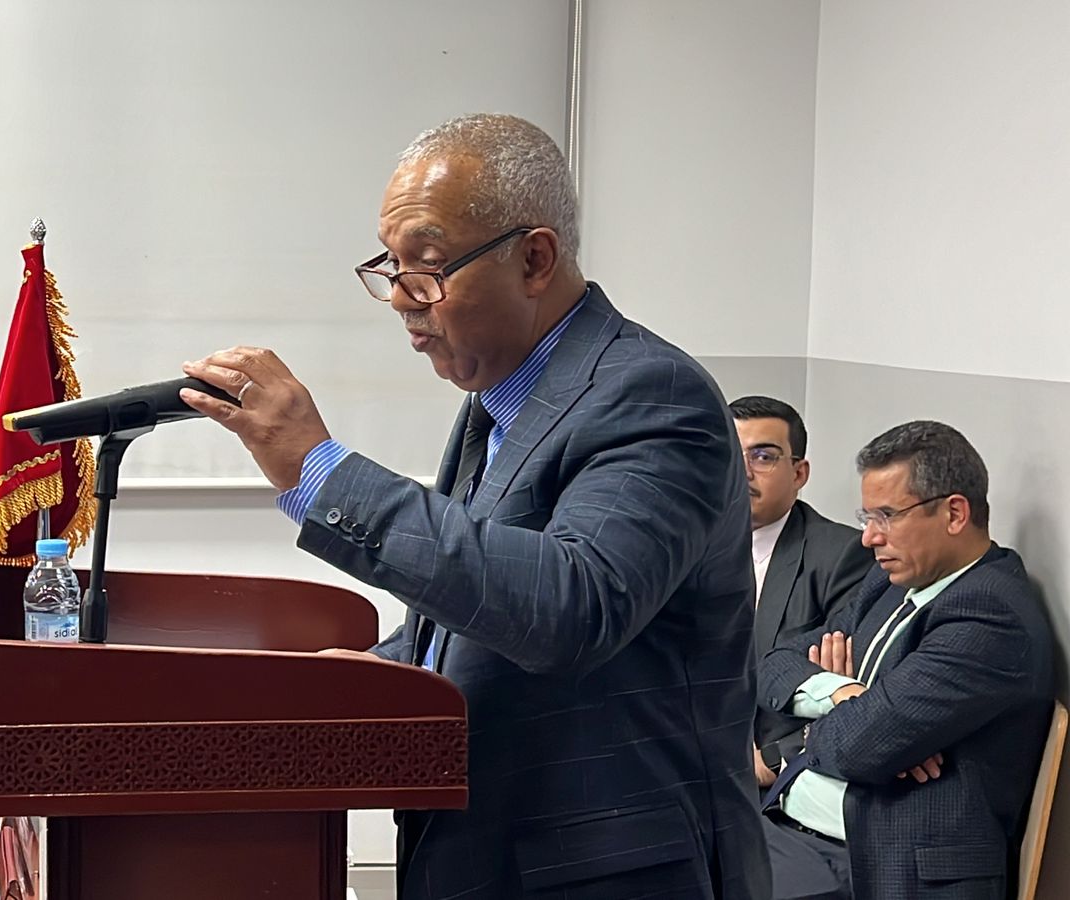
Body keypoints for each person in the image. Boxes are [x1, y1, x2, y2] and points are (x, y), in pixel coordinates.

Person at [180, 114, 770, 899]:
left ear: (534, 259)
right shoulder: (495, 398)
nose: (400, 298)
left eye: (426, 267)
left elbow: (574, 604)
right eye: (390, 266)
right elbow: (488, 601)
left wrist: (322, 471)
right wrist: (387, 672)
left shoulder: (654, 393)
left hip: (609, 872)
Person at [759, 421, 1053, 900]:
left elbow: (857, 747)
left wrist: (845, 724)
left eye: (887, 516)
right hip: (790, 829)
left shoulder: (991, 616)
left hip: (871, 862)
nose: (868, 538)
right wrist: (844, 694)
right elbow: (775, 664)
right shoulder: (891, 582)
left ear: (954, 513)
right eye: (866, 517)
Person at [729, 395, 873, 787]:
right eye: (730, 454)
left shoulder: (843, 557)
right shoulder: (683, 544)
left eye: (763, 457)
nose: (742, 471)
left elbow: (847, 700)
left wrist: (773, 761)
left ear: (799, 473)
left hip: (769, 776)